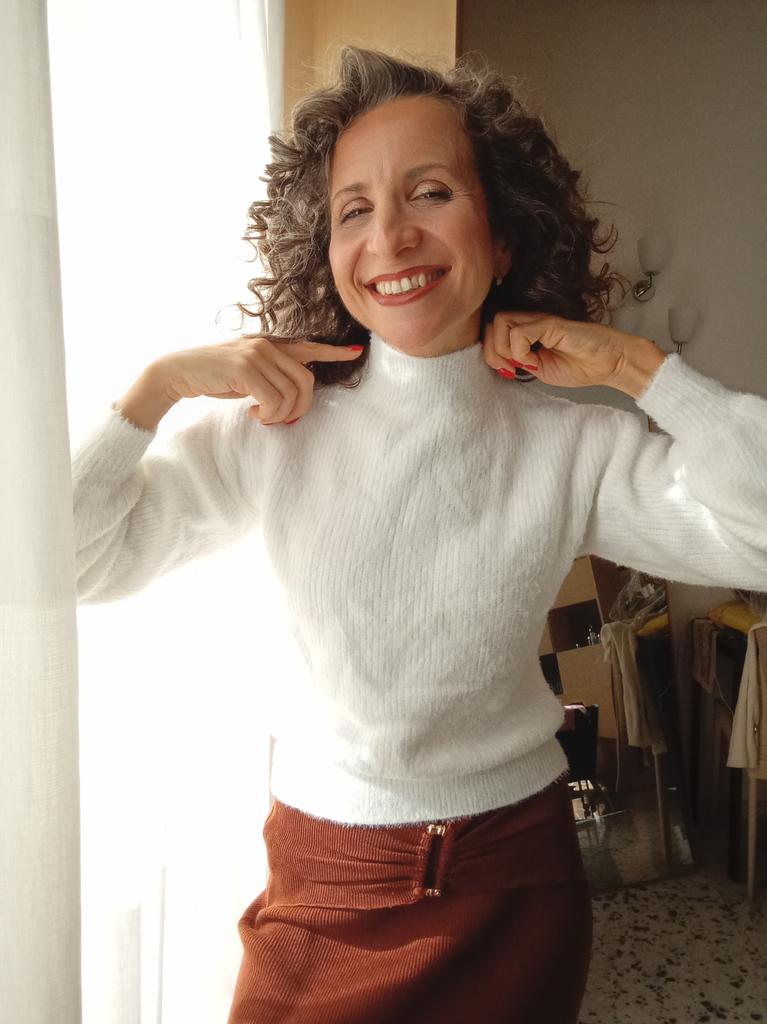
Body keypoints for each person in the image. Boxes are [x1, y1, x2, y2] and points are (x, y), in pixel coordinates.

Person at [71, 46, 767, 1024]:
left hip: (515, 884)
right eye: (353, 209)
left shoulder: (573, 445)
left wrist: (638, 370)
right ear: (325, 247)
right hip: (324, 884)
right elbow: (68, 563)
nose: (390, 236)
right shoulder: (270, 432)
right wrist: (156, 390)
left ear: (504, 233)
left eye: (429, 193)